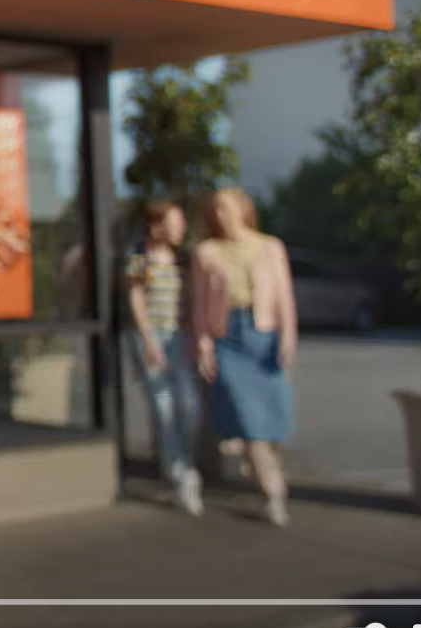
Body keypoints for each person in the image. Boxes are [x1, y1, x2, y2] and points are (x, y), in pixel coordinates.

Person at [189, 187, 298, 527]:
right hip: (227, 336)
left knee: (273, 417)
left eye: (227, 208)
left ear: (242, 209)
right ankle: (273, 493)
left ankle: (269, 474)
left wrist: (288, 337)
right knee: (247, 420)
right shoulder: (206, 252)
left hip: (262, 333)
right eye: (216, 210)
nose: (221, 215)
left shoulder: (269, 246)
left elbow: (284, 296)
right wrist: (204, 344)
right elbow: (199, 303)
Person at [125, 201, 203, 516]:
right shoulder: (138, 257)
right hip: (151, 335)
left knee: (189, 404)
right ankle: (179, 474)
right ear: (157, 227)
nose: (181, 227)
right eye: (175, 221)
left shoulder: (183, 259)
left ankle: (186, 464)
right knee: (163, 404)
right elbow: (135, 296)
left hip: (178, 335)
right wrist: (147, 340)